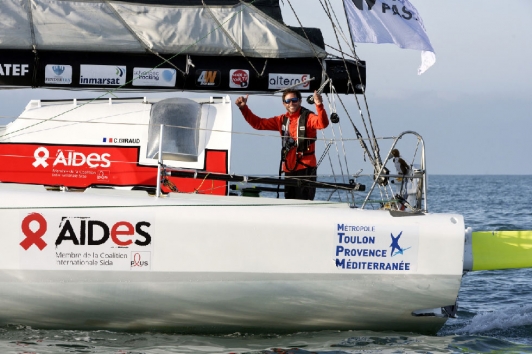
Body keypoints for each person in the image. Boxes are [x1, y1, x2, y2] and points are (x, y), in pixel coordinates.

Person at [235, 89, 329, 200]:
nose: (291, 104)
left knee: (304, 204)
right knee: (289, 202)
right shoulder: (281, 120)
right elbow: (258, 124)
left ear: (299, 101)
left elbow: (323, 123)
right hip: (289, 169)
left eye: (294, 100)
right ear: (284, 103)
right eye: (288, 101)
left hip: (306, 169)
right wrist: (243, 108)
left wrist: (319, 105)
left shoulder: (308, 117)